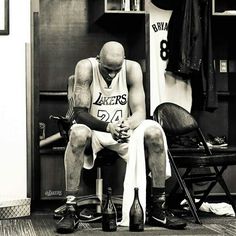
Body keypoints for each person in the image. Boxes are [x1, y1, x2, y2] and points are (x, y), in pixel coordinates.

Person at [56, 41, 186, 233]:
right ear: (98, 59)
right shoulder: (86, 67)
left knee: (155, 132)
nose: (112, 74)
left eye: (116, 69)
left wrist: (128, 124)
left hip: (123, 131)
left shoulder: (132, 69)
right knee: (77, 133)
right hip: (96, 130)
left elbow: (140, 112)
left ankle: (159, 208)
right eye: (108, 69)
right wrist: (109, 127)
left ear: (123, 61)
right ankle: (70, 209)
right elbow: (79, 113)